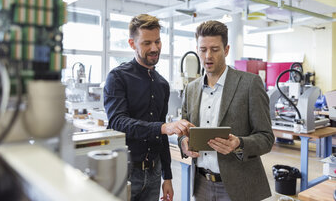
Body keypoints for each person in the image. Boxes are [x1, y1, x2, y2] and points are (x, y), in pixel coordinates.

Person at [178, 20, 274, 201]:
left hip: (238, 186)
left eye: (214, 49)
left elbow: (267, 138)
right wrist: (183, 142)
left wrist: (239, 144)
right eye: (203, 49)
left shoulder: (249, 84)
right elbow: (183, 131)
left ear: (226, 50)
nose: (208, 56)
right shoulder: (191, 89)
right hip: (201, 184)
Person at [104, 14, 194, 201]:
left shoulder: (162, 84)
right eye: (146, 43)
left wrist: (167, 177)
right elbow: (117, 122)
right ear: (132, 43)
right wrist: (162, 127)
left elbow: (161, 138)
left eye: (158, 42)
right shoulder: (118, 77)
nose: (154, 48)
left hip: (154, 172)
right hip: (125, 172)